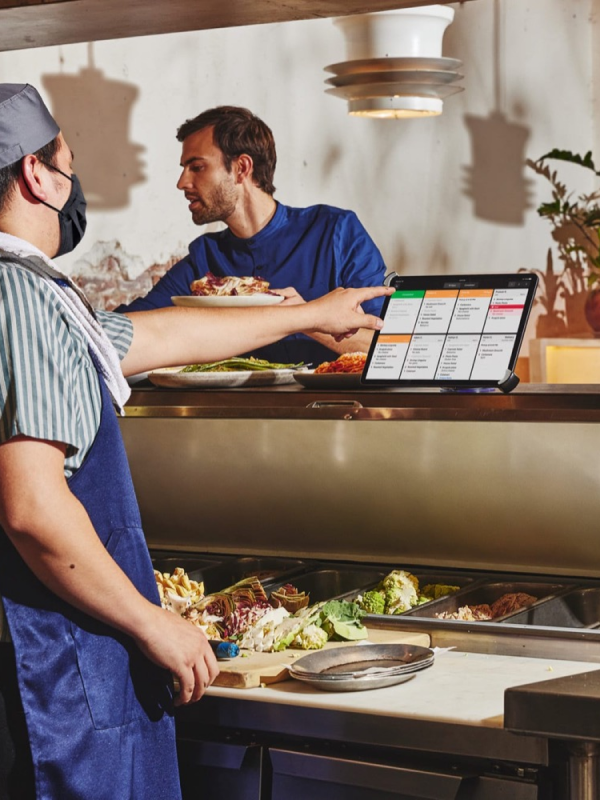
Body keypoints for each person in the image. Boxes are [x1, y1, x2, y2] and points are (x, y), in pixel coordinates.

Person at [0, 83, 390, 799]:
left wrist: (305, 314)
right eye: (69, 164)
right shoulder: (17, 294)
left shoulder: (37, 295)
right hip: (46, 659)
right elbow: (33, 508)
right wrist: (155, 624)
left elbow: (156, 334)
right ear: (35, 174)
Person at [120, 105, 388, 366]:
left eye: (197, 167)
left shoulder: (335, 232)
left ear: (242, 168)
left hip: (326, 410)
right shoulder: (205, 258)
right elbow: (126, 329)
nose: (182, 182)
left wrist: (306, 320)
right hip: (228, 411)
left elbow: (385, 348)